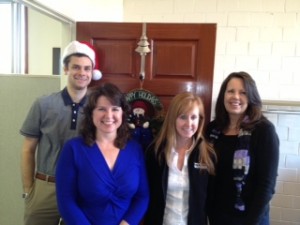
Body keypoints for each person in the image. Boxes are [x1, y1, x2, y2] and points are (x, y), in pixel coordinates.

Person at [20, 40, 101, 225]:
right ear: (66, 69)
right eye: (76, 67)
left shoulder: (100, 108)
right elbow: (28, 149)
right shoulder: (43, 104)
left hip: (82, 188)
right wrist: (28, 189)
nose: (82, 73)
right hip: (46, 186)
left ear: (92, 72)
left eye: (87, 69)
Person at [55, 83, 149, 225]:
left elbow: (143, 196)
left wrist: (127, 223)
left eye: (115, 109)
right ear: (91, 113)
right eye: (101, 109)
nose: (109, 115)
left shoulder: (135, 149)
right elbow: (66, 201)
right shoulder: (73, 149)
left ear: (122, 113)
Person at [206, 71, 279, 225]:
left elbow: (267, 185)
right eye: (230, 91)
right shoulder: (212, 129)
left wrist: (251, 222)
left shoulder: (264, 131)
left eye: (243, 92)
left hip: (250, 218)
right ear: (223, 95)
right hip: (218, 216)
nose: (235, 97)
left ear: (251, 97)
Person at [144, 92, 216, 225]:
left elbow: (212, 200)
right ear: (172, 118)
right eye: (183, 117)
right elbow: (146, 194)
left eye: (193, 117)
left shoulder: (208, 154)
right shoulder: (155, 152)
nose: (189, 123)